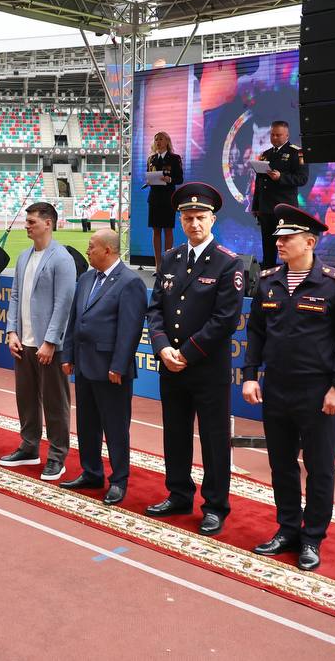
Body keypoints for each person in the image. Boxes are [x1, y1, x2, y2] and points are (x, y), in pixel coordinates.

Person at [242, 204, 335, 572]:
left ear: (310, 242)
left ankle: (312, 538)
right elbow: (256, 332)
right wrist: (250, 375)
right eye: (278, 237)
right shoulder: (268, 281)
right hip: (277, 388)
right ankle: (288, 529)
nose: (279, 243)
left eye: (288, 238)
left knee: (320, 468)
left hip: (317, 391)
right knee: (281, 465)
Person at [144, 183, 245, 534]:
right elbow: (155, 309)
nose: (194, 223)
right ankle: (178, 493)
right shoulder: (171, 258)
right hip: (171, 365)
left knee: (214, 440)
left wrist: (185, 354)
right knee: (175, 433)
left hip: (206, 367)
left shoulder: (228, 263)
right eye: (188, 218)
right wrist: (162, 348)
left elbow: (225, 320)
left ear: (213, 219)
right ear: (180, 220)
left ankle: (215, 505)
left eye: (201, 217)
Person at [60, 229, 148, 506]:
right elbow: (75, 320)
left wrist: (119, 365)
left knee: (115, 428)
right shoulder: (86, 278)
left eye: (92, 247)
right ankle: (91, 472)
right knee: (87, 424)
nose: (87, 251)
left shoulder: (130, 282)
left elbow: (130, 330)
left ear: (107, 250)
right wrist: (68, 354)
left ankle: (119, 480)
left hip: (111, 370)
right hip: (84, 365)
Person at [1, 201, 77, 481]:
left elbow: (64, 302)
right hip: (23, 343)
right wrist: (12, 331)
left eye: (31, 222)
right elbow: (15, 296)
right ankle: (29, 446)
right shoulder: (23, 257)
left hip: (48, 346)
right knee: (26, 398)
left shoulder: (62, 258)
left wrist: (51, 341)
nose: (27, 226)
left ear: (48, 223)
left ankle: (57, 456)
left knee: (55, 402)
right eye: (27, 221)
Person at [251, 120, 308, 268]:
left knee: (287, 245)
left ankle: (289, 275)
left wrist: (281, 177)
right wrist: (256, 206)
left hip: (284, 209)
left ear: (287, 135)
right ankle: (267, 274)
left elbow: (302, 179)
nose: (274, 138)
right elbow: (259, 183)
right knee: (268, 246)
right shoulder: (265, 155)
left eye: (278, 135)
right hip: (266, 209)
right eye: (272, 135)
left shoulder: (297, 153)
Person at [145, 132, 183, 274]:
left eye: (161, 139)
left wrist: (170, 179)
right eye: (156, 139)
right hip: (154, 198)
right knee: (156, 231)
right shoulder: (151, 159)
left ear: (167, 141)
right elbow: (148, 175)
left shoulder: (175, 158)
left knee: (168, 230)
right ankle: (158, 266)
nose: (158, 141)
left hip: (168, 199)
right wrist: (149, 181)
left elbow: (180, 179)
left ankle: (167, 265)